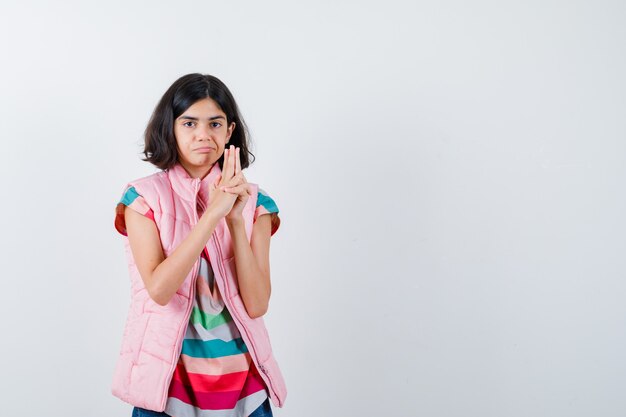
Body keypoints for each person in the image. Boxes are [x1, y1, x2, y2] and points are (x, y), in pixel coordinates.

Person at [111, 73, 287, 417]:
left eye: (215, 123)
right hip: (167, 387)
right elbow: (160, 290)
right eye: (189, 123)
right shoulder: (142, 198)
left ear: (230, 131)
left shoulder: (257, 203)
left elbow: (257, 304)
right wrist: (212, 214)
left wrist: (235, 218)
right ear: (170, 128)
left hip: (244, 390)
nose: (203, 135)